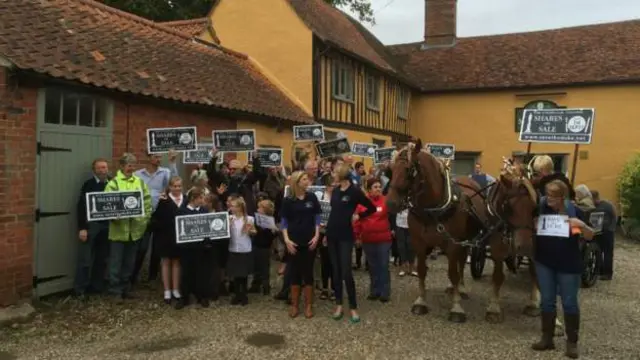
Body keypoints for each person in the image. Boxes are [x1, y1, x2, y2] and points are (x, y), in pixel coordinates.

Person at [531, 180, 594, 359]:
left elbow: (590, 236)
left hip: (568, 264)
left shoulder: (575, 211)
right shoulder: (542, 207)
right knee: (547, 301)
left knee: (569, 302)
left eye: (553, 196)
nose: (548, 198)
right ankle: (546, 338)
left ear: (562, 197)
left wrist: (580, 225)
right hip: (545, 262)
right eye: (547, 194)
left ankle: (572, 343)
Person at [325, 164, 376, 323]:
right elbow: (333, 212)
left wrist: (358, 216)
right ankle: (339, 304)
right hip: (332, 234)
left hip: (346, 236)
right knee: (336, 272)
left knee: (346, 272)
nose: (332, 174)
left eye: (335, 172)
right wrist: (326, 234)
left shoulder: (354, 191)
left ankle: (353, 306)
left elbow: (371, 208)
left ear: (342, 175)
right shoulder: (335, 190)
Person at [105, 153, 152, 301]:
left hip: (135, 230)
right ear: (122, 166)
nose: (131, 168)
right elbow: (106, 205)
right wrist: (113, 216)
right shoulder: (113, 184)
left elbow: (147, 202)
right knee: (116, 261)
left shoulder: (139, 182)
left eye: (133, 165)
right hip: (119, 230)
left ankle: (126, 287)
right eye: (128, 165)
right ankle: (114, 290)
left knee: (130, 261)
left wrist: (144, 218)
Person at [132, 150, 178, 284]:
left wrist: (172, 162)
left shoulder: (165, 172)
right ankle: (133, 276)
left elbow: (175, 180)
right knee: (142, 247)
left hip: (160, 215)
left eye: (160, 157)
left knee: (157, 249)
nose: (158, 159)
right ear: (148, 157)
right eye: (155, 157)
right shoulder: (138, 175)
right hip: (144, 216)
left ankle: (152, 277)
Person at [280, 171, 321, 318]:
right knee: (295, 273)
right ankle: (295, 305)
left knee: (308, 272)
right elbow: (284, 221)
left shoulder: (312, 197)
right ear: (297, 182)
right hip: (293, 240)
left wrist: (317, 235)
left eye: (307, 179)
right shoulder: (288, 200)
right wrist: (286, 239)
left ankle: (309, 305)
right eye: (304, 179)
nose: (307, 181)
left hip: (309, 240)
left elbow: (317, 216)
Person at [74, 158, 111, 300]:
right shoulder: (88, 185)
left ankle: (96, 287)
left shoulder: (112, 183)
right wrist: (82, 228)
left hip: (107, 226)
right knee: (85, 260)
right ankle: (80, 289)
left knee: (102, 259)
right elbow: (81, 207)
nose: (103, 170)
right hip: (91, 226)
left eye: (105, 167)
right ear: (94, 170)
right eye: (100, 168)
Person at [174, 187, 215, 309]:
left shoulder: (204, 210)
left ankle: (202, 296)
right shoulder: (182, 211)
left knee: (201, 272)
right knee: (186, 272)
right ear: (193, 198)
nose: (203, 200)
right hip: (186, 249)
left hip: (201, 248)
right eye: (201, 198)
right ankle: (184, 297)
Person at [354, 178, 393, 302]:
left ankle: (385, 292)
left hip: (383, 239)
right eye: (375, 187)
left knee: (383, 265)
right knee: (372, 266)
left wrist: (393, 229)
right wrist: (357, 236)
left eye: (379, 187)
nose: (378, 189)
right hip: (368, 240)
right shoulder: (362, 203)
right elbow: (357, 221)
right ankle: (374, 290)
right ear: (369, 189)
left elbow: (392, 215)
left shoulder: (386, 201)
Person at [150, 176, 185, 304]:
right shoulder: (164, 200)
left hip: (179, 236)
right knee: (165, 262)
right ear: (170, 187)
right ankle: (167, 290)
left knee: (176, 262)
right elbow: (156, 217)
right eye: (174, 186)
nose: (177, 188)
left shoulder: (185, 199)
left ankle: (176, 288)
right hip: (165, 236)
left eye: (179, 186)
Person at [228, 197, 257, 306]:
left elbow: (254, 232)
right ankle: (237, 294)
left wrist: (250, 230)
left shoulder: (249, 219)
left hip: (245, 248)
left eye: (233, 206)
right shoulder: (230, 218)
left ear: (240, 207)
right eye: (231, 206)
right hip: (233, 248)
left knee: (244, 274)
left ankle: (244, 294)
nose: (231, 208)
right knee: (236, 274)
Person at [250, 199, 278, 295]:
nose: (258, 209)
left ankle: (266, 286)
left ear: (265, 210)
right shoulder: (256, 219)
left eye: (260, 208)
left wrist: (273, 231)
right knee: (256, 266)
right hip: (256, 244)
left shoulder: (270, 221)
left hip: (265, 247)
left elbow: (272, 235)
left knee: (264, 267)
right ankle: (256, 285)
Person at [591, 190, 616, 280]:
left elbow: (613, 217)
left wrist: (610, 229)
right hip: (600, 231)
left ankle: (607, 273)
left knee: (607, 253)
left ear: (595, 198)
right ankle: (601, 271)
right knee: (599, 251)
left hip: (607, 231)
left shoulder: (605, 206)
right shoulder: (601, 205)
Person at [395, 208, 416, 277]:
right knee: (401, 247)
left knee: (411, 246)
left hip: (412, 225)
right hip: (400, 225)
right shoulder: (398, 199)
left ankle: (412, 268)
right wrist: (392, 227)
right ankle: (403, 267)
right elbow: (392, 212)